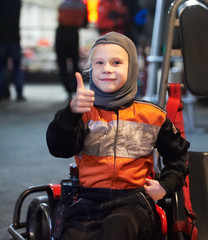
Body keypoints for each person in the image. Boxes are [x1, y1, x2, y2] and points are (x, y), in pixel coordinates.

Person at [46, 32, 189, 240]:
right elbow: (60, 148)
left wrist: (165, 185)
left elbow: (179, 156)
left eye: (116, 62)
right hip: (88, 201)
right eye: (99, 63)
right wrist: (71, 113)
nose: (107, 69)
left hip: (133, 202)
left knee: (119, 224)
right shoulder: (83, 113)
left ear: (131, 69)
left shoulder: (152, 116)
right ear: (90, 69)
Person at [55, 0, 88, 99]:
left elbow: (59, 18)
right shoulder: (82, 5)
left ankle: (68, 90)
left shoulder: (63, 4)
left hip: (61, 34)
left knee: (62, 64)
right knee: (75, 63)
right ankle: (76, 88)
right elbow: (85, 23)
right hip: (73, 34)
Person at [0, 0, 25, 101]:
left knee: (1, 68)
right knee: (17, 68)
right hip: (14, 38)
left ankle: (2, 93)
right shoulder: (16, 2)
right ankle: (19, 94)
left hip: (1, 39)